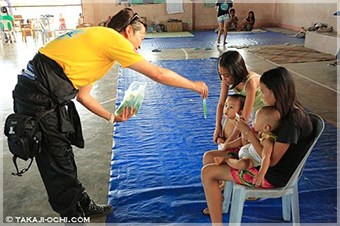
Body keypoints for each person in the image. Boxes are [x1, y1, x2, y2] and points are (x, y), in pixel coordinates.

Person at [11, 7, 208, 221]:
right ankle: (72, 215)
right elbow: (157, 73)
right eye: (140, 36)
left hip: (39, 92)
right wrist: (193, 85)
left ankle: (80, 203)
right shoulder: (112, 39)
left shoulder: (97, 44)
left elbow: (84, 97)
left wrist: (114, 117)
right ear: (127, 32)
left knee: (62, 153)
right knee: (56, 158)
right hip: (39, 96)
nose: (140, 45)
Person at [201, 66, 313, 223]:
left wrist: (247, 132)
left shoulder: (292, 121)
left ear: (276, 91)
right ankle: (218, 197)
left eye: (264, 91)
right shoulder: (281, 110)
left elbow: (272, 160)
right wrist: (244, 135)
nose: (263, 96)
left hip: (270, 174)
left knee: (208, 172)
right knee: (210, 156)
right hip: (259, 159)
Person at [216, 106, 281, 188]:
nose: (253, 121)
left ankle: (226, 160)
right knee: (244, 136)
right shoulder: (261, 133)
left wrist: (261, 174)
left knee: (242, 164)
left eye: (256, 120)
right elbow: (247, 138)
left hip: (252, 159)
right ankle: (226, 147)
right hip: (248, 150)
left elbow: (266, 158)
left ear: (266, 127)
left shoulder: (268, 141)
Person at [213, 50, 266, 145]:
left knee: (251, 135)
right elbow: (221, 104)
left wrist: (228, 143)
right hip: (250, 108)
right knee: (228, 120)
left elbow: (244, 119)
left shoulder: (250, 83)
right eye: (221, 75)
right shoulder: (225, 79)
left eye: (226, 75)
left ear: (237, 72)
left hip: (263, 111)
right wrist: (218, 127)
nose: (223, 79)